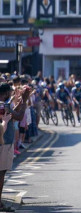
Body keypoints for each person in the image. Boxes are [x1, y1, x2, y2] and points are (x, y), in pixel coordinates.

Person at [0, 83, 29, 212]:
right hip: (4, 143)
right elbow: (18, 116)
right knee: (1, 173)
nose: (12, 94)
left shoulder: (4, 104)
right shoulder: (2, 105)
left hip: (5, 142)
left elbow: (12, 113)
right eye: (10, 92)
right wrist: (24, 101)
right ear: (5, 93)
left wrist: (22, 101)